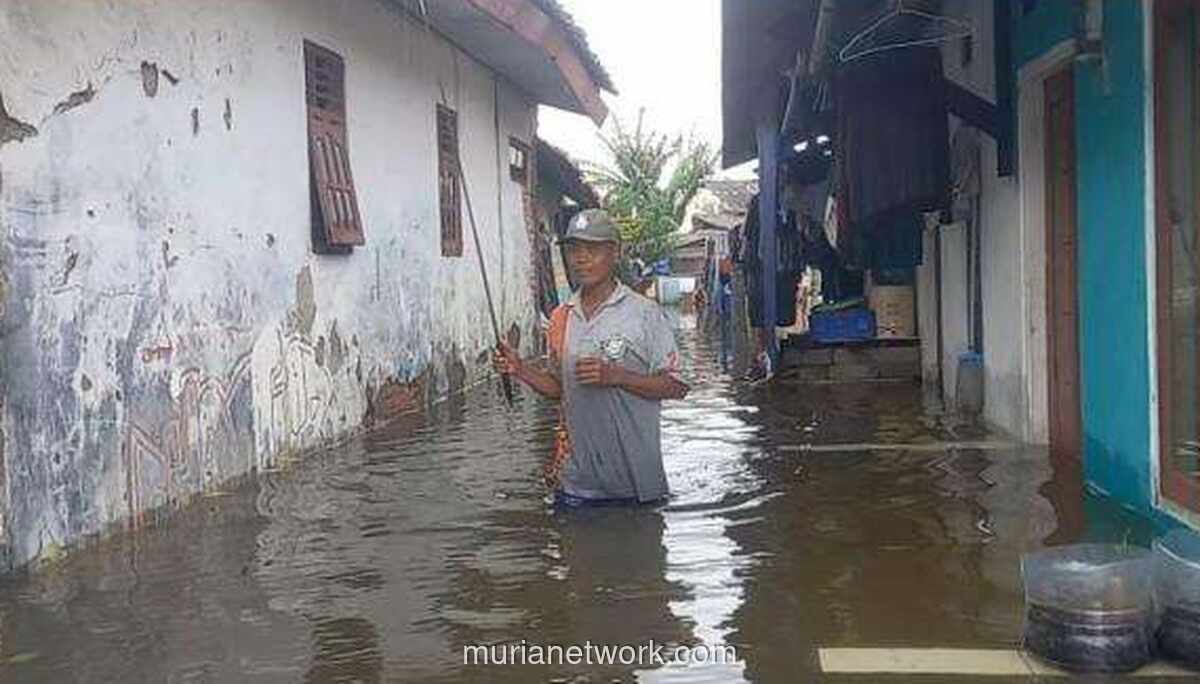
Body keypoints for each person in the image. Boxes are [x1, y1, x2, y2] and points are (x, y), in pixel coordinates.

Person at [493, 209, 689, 506]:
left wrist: (618, 376)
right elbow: (561, 389)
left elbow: (677, 386)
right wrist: (520, 368)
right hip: (576, 487)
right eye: (574, 250)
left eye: (593, 249)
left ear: (615, 252)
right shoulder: (561, 317)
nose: (581, 258)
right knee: (576, 552)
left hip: (635, 488)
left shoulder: (644, 314)